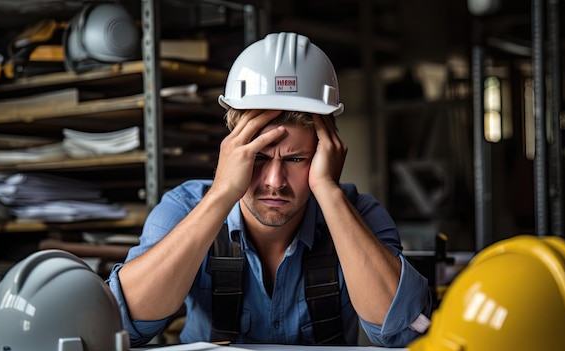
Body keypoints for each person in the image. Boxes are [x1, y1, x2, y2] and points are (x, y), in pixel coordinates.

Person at [107, 32, 432, 347]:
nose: (275, 181)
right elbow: (121, 325)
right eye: (258, 157)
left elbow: (405, 332)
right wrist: (221, 195)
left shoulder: (360, 215)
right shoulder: (183, 207)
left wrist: (329, 192)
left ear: (325, 153)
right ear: (232, 150)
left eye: (295, 158)